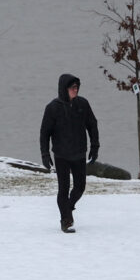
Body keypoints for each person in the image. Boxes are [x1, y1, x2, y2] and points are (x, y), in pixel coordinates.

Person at [40, 73, 99, 233]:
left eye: (77, 87)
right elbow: (45, 133)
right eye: (73, 87)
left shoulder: (83, 104)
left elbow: (92, 125)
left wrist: (95, 147)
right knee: (63, 189)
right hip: (61, 155)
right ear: (64, 89)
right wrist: (45, 155)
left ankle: (68, 207)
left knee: (80, 187)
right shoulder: (52, 108)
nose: (76, 90)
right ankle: (66, 221)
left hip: (79, 153)